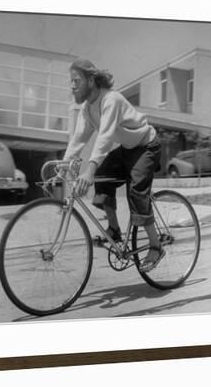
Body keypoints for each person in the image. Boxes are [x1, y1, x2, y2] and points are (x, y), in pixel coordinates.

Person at [63, 58, 163, 272]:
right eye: (71, 81)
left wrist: (88, 170)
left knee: (136, 190)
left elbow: (106, 137)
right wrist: (63, 165)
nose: (72, 85)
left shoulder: (111, 99)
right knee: (102, 174)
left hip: (146, 145)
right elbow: (79, 138)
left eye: (76, 80)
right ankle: (115, 229)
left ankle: (155, 245)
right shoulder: (87, 109)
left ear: (91, 79)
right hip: (128, 148)